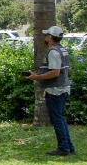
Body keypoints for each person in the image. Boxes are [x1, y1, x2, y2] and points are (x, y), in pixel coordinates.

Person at [24, 25, 74, 156]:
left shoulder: (53, 52)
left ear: (50, 38)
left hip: (55, 90)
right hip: (63, 88)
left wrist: (37, 77)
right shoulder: (62, 50)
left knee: (57, 120)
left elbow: (55, 72)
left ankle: (63, 148)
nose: (45, 37)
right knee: (61, 119)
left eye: (46, 35)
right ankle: (69, 147)